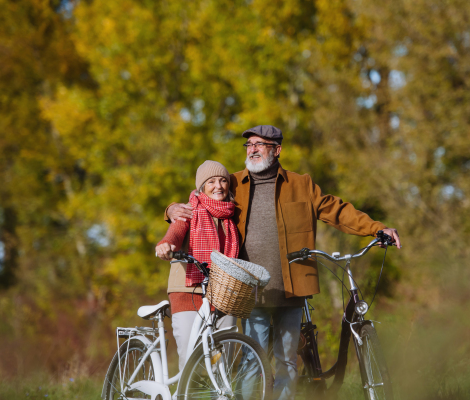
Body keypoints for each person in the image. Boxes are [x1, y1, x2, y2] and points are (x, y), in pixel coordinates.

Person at [165, 125, 402, 400]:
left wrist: (377, 228)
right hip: (251, 292)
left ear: (276, 150)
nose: (252, 149)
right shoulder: (233, 183)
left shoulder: (301, 185)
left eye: (260, 144)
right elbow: (199, 198)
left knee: (287, 361)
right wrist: (170, 209)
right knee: (252, 363)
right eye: (249, 144)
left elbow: (338, 210)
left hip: (292, 290)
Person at [155, 160, 239, 372]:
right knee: (189, 352)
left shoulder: (232, 214)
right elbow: (176, 231)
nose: (218, 186)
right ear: (202, 186)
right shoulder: (189, 211)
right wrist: (166, 245)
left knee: (223, 353)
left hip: (222, 290)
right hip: (187, 288)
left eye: (222, 181)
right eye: (211, 181)